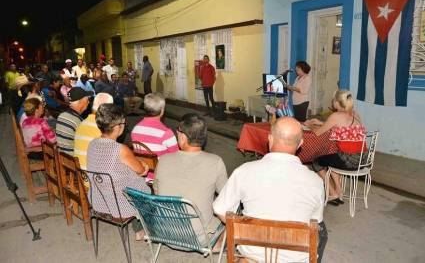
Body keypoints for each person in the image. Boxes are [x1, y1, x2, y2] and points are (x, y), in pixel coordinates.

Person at [213, 117, 327, 263]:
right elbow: (315, 221)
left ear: (270, 139)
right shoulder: (315, 181)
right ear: (300, 144)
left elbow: (220, 208)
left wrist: (245, 229)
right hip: (296, 259)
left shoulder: (244, 171)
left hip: (253, 257)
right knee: (322, 232)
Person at [154, 113, 227, 247]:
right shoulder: (215, 161)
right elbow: (226, 197)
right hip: (198, 239)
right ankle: (218, 246)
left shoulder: (163, 160)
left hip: (164, 233)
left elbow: (157, 192)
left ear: (182, 136)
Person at [87, 103, 150, 240]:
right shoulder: (120, 149)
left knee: (127, 179)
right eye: (124, 123)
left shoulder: (92, 144)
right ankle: (143, 229)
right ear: (117, 128)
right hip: (119, 206)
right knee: (143, 187)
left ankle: (139, 228)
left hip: (97, 200)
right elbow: (141, 171)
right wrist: (143, 166)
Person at [305, 89, 366, 205]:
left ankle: (332, 192)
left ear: (337, 102)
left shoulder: (336, 115)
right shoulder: (355, 114)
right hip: (363, 159)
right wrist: (320, 122)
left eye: (333, 100)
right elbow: (343, 125)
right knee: (331, 156)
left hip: (348, 160)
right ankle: (339, 190)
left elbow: (318, 133)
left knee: (316, 160)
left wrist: (310, 125)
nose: (332, 102)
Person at [74, 93, 113, 170]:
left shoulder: (82, 123)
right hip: (94, 177)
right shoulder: (102, 128)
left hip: (81, 174)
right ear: (107, 110)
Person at [56, 87, 91, 154]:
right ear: (81, 101)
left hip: (62, 157)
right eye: (87, 99)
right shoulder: (79, 122)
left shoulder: (62, 115)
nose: (89, 102)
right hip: (72, 161)